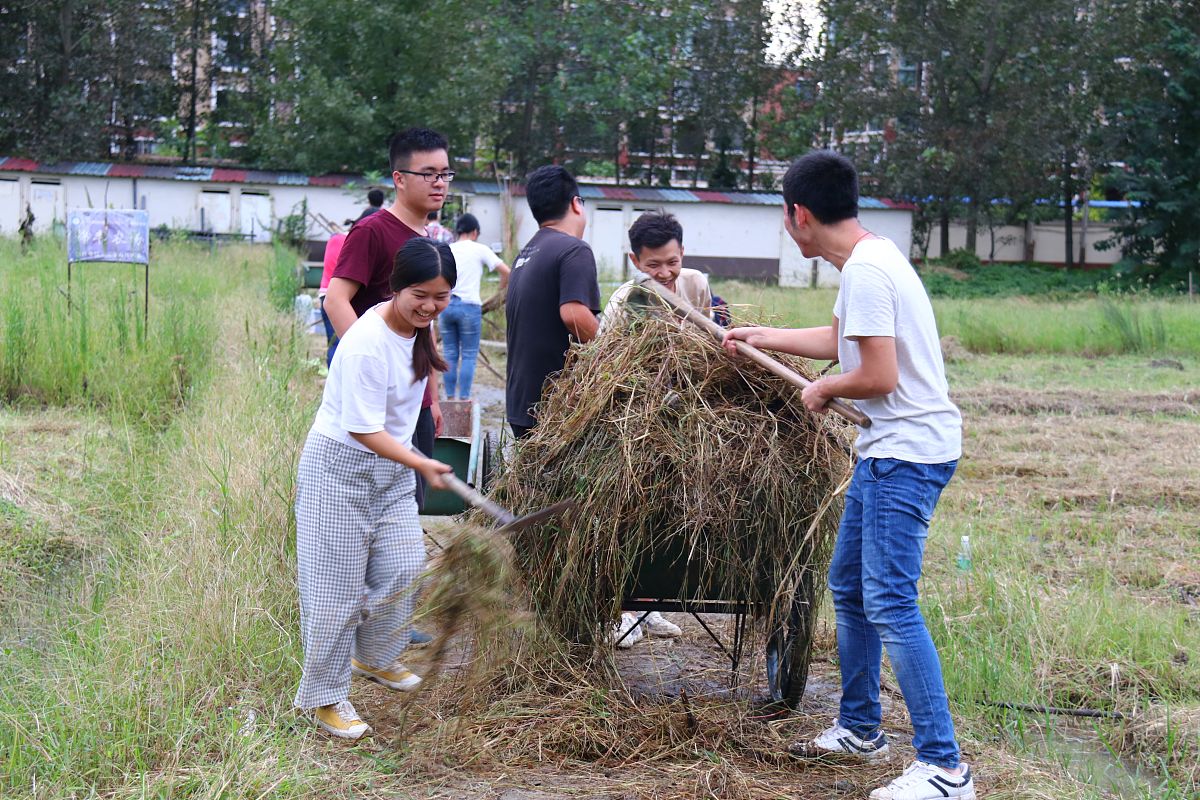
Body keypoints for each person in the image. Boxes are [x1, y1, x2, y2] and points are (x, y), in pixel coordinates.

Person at [722, 151, 973, 800]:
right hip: (891, 448)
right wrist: (762, 336)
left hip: (907, 454)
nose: (786, 226)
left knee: (890, 598)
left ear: (799, 215)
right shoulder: (867, 258)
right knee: (850, 585)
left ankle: (945, 767)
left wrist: (823, 390)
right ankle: (862, 727)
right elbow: (840, 339)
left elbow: (877, 376)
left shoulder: (865, 270)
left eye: (784, 216)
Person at [294, 237, 457, 740]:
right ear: (395, 287)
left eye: (441, 296)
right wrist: (423, 463)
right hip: (338, 471)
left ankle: (377, 657)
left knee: (406, 565)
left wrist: (415, 452)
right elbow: (364, 429)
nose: (430, 306)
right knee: (335, 592)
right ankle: (322, 698)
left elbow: (405, 404)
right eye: (419, 294)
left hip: (387, 473)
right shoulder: (366, 342)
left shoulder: (418, 329)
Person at [324, 127, 452, 512]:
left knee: (409, 506)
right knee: (373, 506)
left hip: (413, 397)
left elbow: (423, 326)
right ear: (399, 178)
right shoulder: (372, 231)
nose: (439, 183)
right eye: (428, 173)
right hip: (379, 401)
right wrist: (370, 364)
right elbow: (336, 300)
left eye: (445, 173)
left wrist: (432, 396)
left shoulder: (428, 238)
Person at [504, 166, 600, 440]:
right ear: (576, 204)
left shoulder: (527, 252)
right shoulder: (574, 249)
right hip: (554, 408)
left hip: (522, 403)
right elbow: (573, 313)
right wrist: (613, 352)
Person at [598, 209, 713, 336]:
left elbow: (707, 334)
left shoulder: (696, 284)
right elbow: (604, 352)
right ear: (635, 261)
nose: (665, 274)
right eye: (654, 265)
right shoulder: (620, 304)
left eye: (672, 262)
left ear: (681, 253)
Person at [442, 213, 510, 399]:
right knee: (469, 356)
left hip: (447, 305)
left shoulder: (448, 249)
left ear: (458, 232)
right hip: (469, 307)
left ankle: (448, 398)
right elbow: (506, 272)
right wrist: (499, 291)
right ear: (475, 232)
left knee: (449, 354)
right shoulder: (480, 249)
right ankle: (463, 399)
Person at [318, 232, 347, 365]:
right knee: (342, 344)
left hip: (325, 294)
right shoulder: (351, 241)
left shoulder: (335, 238)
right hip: (340, 296)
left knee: (333, 343)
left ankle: (332, 381)